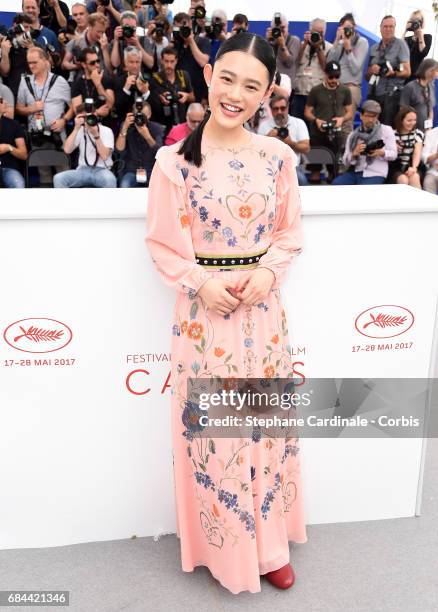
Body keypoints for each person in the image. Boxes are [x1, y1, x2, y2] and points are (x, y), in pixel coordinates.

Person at [145, 31, 307, 595]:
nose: (236, 94)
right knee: (217, 436)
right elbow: (163, 244)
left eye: (252, 86)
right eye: (228, 78)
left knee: (263, 428)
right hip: (204, 317)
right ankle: (225, 548)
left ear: (267, 95)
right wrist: (200, 282)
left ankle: (270, 547)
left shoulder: (278, 157)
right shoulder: (174, 161)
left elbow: (289, 234)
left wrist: (268, 273)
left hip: (263, 314)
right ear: (210, 76)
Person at [304, 61, 353, 183]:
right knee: (314, 172)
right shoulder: (316, 90)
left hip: (336, 134)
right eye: (331, 77)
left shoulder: (345, 90)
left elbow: (350, 112)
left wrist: (342, 119)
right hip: (318, 133)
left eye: (337, 76)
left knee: (334, 172)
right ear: (325, 74)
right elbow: (307, 112)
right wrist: (317, 120)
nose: (334, 80)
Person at [332, 99, 397, 185]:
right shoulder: (353, 135)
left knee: (365, 190)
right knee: (336, 183)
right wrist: (354, 153)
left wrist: (381, 152)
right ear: (361, 116)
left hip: (376, 173)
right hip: (356, 171)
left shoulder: (386, 130)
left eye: (374, 116)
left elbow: (394, 154)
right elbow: (345, 160)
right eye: (367, 116)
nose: (370, 119)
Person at [53, 103, 116, 187]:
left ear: (95, 115)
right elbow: (67, 150)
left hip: (102, 170)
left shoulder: (106, 130)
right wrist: (76, 128)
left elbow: (104, 156)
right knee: (58, 178)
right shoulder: (80, 129)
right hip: (82, 170)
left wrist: (96, 135)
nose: (87, 120)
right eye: (83, 117)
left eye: (88, 116)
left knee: (110, 180)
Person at [326, 13, 369, 138]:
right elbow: (329, 65)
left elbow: (356, 69)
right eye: (344, 28)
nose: (347, 31)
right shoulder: (339, 43)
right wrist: (336, 41)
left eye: (349, 27)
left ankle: (345, 155)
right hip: (335, 87)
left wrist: (349, 49)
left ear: (354, 27)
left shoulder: (361, 42)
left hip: (351, 88)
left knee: (346, 125)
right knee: (332, 122)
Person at [365, 15, 411, 127]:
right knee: (370, 127)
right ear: (380, 28)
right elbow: (367, 76)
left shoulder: (401, 45)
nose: (388, 29)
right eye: (385, 26)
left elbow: (407, 71)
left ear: (395, 28)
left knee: (386, 128)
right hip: (374, 93)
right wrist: (372, 70)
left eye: (391, 26)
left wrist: (393, 73)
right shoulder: (373, 48)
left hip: (391, 95)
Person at [258, 94, 310, 186]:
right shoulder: (264, 126)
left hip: (293, 167)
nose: (279, 112)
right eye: (276, 109)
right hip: (269, 168)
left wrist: (290, 143)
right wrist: (268, 138)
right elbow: (257, 152)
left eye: (283, 108)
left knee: (302, 181)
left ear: (288, 108)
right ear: (271, 110)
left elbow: (306, 148)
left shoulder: (298, 123)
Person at [115, 99, 163, 186]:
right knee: (125, 184)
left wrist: (147, 136)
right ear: (133, 115)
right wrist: (124, 128)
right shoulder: (127, 126)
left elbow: (161, 153)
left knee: (158, 189)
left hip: (151, 170)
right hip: (131, 170)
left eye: (143, 115)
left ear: (149, 115)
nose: (140, 118)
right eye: (138, 115)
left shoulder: (157, 128)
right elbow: (119, 149)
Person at [293, 18, 332, 121]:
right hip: (300, 92)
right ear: (310, 31)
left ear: (325, 32)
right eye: (316, 32)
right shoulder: (302, 45)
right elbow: (295, 63)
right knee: (298, 124)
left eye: (321, 32)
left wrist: (318, 48)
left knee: (313, 127)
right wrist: (304, 44)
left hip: (317, 95)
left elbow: (326, 68)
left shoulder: (329, 48)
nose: (318, 35)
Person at [149, 45, 194, 133]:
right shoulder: (154, 79)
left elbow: (193, 98)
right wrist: (160, 99)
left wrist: (186, 96)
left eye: (172, 61)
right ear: (161, 61)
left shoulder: (183, 76)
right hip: (162, 125)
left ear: (176, 61)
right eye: (166, 61)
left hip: (182, 123)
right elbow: (151, 104)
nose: (169, 65)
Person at [171, 12, 211, 103]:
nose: (183, 30)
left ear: (190, 24)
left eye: (184, 27)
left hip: (197, 93)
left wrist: (191, 41)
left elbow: (203, 62)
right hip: (178, 93)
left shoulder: (203, 42)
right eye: (179, 28)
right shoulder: (176, 44)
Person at [265, 12, 300, 115]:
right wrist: (268, 41)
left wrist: (282, 45)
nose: (280, 31)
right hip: (271, 85)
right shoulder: (270, 42)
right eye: (277, 28)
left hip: (287, 88)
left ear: (288, 27)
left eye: (283, 27)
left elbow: (289, 62)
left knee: (285, 115)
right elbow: (265, 59)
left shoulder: (294, 40)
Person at [388, 106, 423, 189]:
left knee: (414, 177)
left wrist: (414, 167)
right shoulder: (392, 134)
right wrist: (393, 148)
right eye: (409, 120)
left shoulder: (417, 134)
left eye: (414, 120)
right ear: (401, 120)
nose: (412, 123)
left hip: (412, 164)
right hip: (396, 166)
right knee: (403, 180)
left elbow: (417, 152)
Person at [400, 58, 438, 133]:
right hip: (411, 130)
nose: (437, 74)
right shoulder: (410, 87)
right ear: (429, 71)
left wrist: (429, 128)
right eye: (436, 71)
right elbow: (402, 109)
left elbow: (430, 109)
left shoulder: (431, 86)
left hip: (425, 130)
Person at [0, 100, 27, 188]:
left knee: (19, 184)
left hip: (8, 168)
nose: (5, 102)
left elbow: (24, 155)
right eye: (1, 101)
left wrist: (9, 147)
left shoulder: (14, 124)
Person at [403, 10, 432, 83]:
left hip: (416, 78)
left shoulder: (427, 37)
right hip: (404, 74)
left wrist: (420, 35)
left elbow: (423, 53)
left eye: (418, 20)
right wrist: (405, 31)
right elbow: (398, 49)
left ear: (422, 22)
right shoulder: (407, 39)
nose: (415, 23)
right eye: (413, 21)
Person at [421, 126, 438, 194]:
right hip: (433, 171)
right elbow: (424, 156)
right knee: (428, 182)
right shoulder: (431, 133)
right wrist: (436, 155)